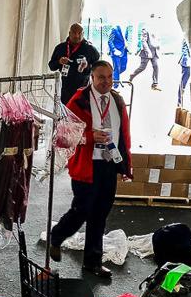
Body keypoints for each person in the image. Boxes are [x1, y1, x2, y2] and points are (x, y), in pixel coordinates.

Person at [49, 61, 132, 278]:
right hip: (87, 165)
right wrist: (89, 137)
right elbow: (63, 135)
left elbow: (124, 135)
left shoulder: (118, 100)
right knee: (82, 210)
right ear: (92, 78)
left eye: (109, 77)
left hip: (108, 164)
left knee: (101, 214)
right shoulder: (80, 101)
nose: (106, 81)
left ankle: (92, 262)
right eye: (101, 77)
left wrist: (125, 164)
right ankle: (57, 236)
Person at [48, 23, 100, 104]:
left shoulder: (90, 49)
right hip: (66, 89)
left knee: (80, 113)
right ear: (69, 33)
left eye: (79, 33)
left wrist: (87, 66)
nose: (76, 35)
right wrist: (59, 62)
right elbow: (51, 66)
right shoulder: (60, 48)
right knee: (67, 113)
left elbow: (98, 68)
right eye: (74, 32)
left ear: (83, 34)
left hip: (83, 89)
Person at [177, 39, 191, 106]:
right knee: (183, 83)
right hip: (187, 63)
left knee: (183, 83)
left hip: (187, 63)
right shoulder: (188, 36)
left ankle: (180, 102)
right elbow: (185, 49)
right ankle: (180, 102)